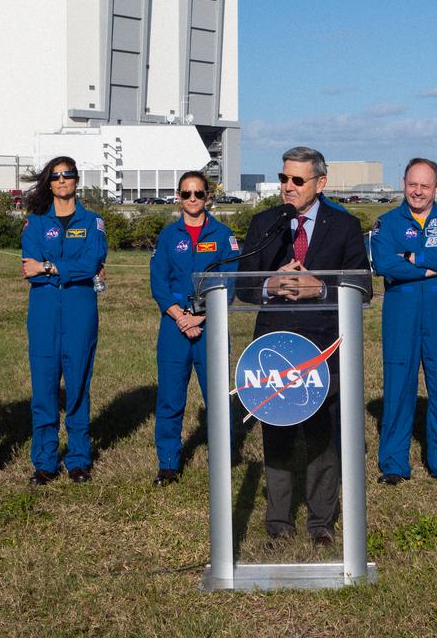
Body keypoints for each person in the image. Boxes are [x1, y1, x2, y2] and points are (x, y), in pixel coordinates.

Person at [238, 146, 371, 546]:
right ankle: (278, 522)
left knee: (322, 437)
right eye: (283, 178)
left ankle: (320, 523)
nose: (287, 187)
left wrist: (321, 287)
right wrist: (268, 284)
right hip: (274, 345)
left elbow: (363, 287)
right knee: (277, 431)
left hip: (322, 345)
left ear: (320, 183)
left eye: (297, 180)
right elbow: (242, 284)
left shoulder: (344, 226)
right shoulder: (265, 223)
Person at [371, 158, 437, 485]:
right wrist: (430, 267)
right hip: (401, 313)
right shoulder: (387, 223)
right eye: (413, 184)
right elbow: (385, 264)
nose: (418, 191)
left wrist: (415, 258)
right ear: (403, 183)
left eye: (425, 186)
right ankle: (394, 464)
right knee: (399, 386)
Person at [19, 156, 108, 485]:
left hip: (79, 310)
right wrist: (64, 269)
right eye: (55, 176)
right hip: (43, 311)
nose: (61, 181)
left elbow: (93, 261)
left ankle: (79, 458)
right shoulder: (36, 222)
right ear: (49, 182)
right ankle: (44, 460)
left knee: (77, 385)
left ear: (76, 180)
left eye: (67, 175)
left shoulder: (93, 222)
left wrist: (50, 267)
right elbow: (29, 265)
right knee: (43, 388)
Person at [148, 171, 239, 486]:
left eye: (198, 194)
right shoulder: (168, 236)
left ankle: (222, 460)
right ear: (178, 197)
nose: (192, 200)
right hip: (174, 327)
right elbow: (158, 282)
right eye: (186, 194)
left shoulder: (223, 235)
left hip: (210, 325)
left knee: (216, 397)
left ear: (208, 197)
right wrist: (179, 316)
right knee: (171, 398)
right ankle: (169, 464)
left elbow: (230, 281)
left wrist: (200, 317)